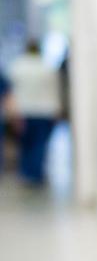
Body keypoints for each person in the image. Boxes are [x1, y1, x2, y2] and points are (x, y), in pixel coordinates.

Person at [8, 39, 61, 184]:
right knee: (40, 144)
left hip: (24, 112)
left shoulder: (17, 66)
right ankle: (36, 173)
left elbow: (12, 92)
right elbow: (54, 91)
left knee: (26, 144)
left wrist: (12, 113)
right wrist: (57, 110)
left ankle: (27, 172)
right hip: (45, 112)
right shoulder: (47, 67)